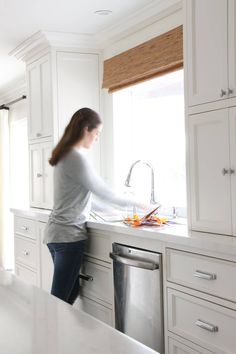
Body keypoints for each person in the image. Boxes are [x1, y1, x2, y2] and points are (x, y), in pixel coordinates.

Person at [44, 107, 149, 305]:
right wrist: (140, 203)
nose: (97, 138)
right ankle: (47, 334)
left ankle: (59, 333)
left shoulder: (65, 155)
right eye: (97, 133)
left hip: (56, 234)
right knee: (58, 300)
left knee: (70, 291)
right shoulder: (76, 157)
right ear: (86, 129)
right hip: (68, 236)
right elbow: (103, 191)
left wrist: (114, 211)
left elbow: (82, 198)